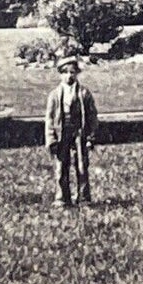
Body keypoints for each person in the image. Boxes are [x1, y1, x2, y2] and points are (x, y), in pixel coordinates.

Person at [44, 54, 98, 208]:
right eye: (65, 72)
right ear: (60, 74)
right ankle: (62, 198)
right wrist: (51, 139)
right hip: (62, 133)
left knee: (81, 165)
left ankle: (83, 197)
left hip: (79, 133)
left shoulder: (83, 93)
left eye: (72, 72)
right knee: (61, 166)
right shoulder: (54, 95)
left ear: (77, 73)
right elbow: (49, 119)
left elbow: (92, 116)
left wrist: (91, 136)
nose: (69, 75)